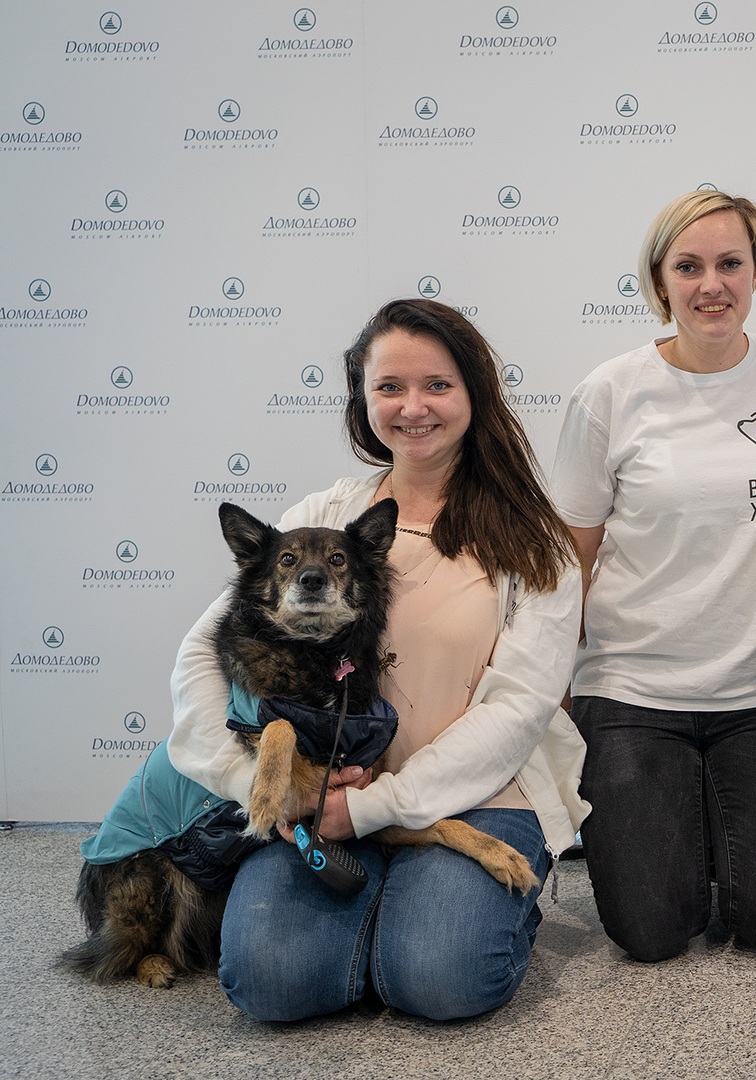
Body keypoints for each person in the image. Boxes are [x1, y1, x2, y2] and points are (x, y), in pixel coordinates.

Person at [168, 298, 589, 1021]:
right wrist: (263, 788)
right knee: (267, 981)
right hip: (320, 793)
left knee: (441, 977)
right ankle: (383, 916)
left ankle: (420, 919)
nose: (413, 406)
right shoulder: (328, 515)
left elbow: (518, 714)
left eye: (437, 385)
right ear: (363, 404)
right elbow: (200, 657)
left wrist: (364, 811)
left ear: (474, 395)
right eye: (389, 387)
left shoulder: (534, 544)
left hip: (477, 793)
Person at [551, 190, 756, 963]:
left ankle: (716, 825)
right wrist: (552, 686)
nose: (711, 285)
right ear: (660, 281)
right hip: (632, 690)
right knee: (653, 935)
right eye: (688, 267)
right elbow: (571, 553)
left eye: (730, 263)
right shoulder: (610, 394)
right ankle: (689, 816)